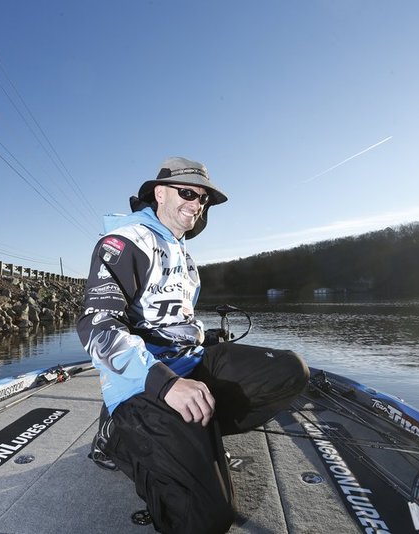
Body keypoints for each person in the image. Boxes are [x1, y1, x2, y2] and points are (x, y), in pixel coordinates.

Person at [77, 156, 309, 534]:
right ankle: (119, 438)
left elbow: (177, 321)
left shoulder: (184, 253)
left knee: (288, 371)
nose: (196, 204)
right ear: (160, 193)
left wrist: (207, 339)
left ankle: (197, 433)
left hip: (192, 363)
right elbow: (97, 326)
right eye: (187, 193)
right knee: (208, 519)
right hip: (147, 385)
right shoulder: (125, 242)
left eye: (202, 199)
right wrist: (165, 384)